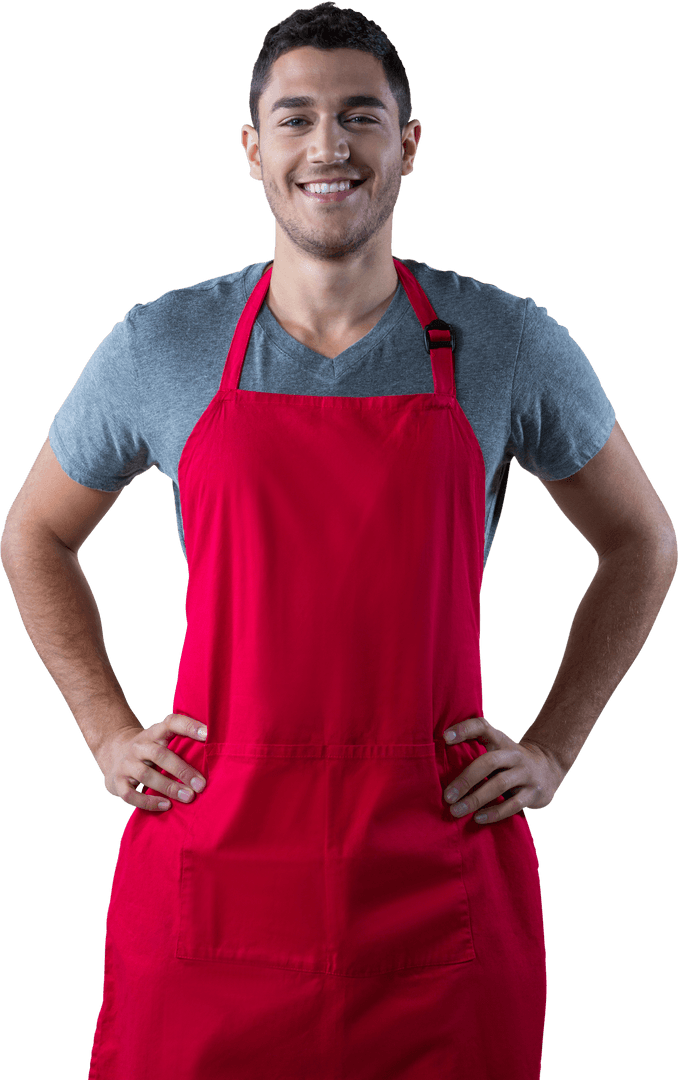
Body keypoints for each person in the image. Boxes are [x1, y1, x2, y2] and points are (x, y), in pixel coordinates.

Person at [1, 3, 676, 1078]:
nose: (329, 146)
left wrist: (553, 748)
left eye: (361, 116)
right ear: (253, 149)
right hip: (215, 872)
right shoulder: (162, 345)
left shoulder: (505, 341)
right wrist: (103, 730)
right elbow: (34, 531)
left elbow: (643, 541)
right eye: (297, 117)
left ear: (406, 146)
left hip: (435, 882)